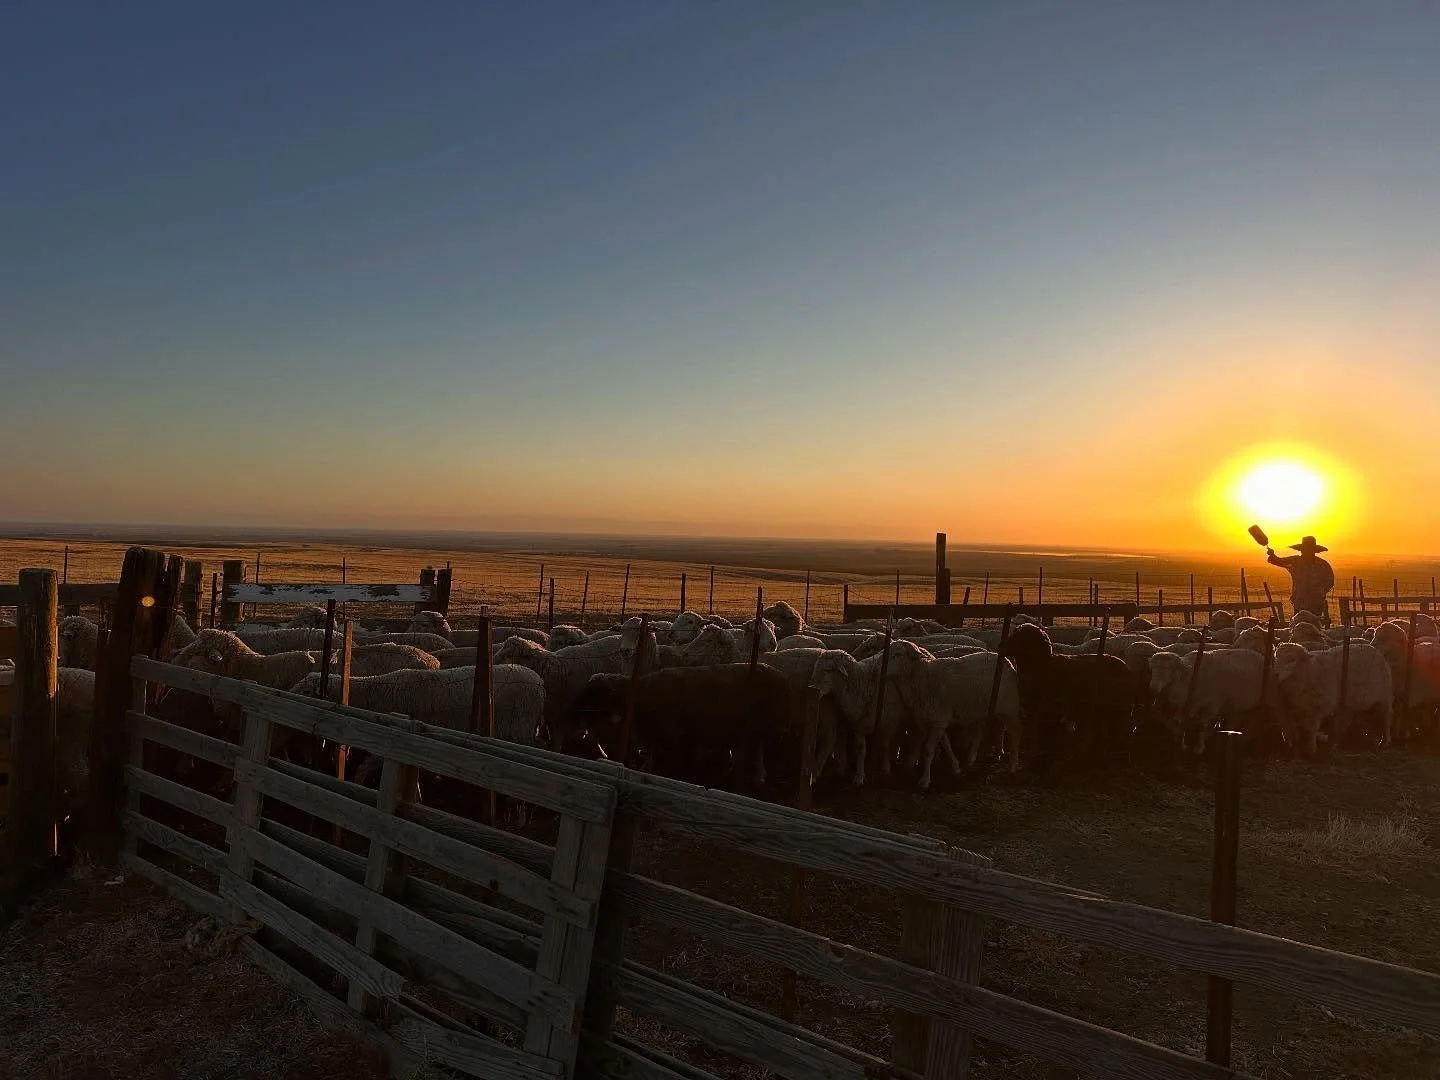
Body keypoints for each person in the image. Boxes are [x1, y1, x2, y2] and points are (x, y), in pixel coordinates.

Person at [1266, 535, 1335, 623]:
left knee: (1313, 625)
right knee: (1301, 624)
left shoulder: (1322, 564)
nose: (1306, 552)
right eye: (1305, 549)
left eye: (1309, 549)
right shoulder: (1296, 561)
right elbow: (1277, 560)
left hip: (1315, 602)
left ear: (1313, 551)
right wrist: (1272, 554)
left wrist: (1322, 591)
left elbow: (1330, 581)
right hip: (1300, 601)